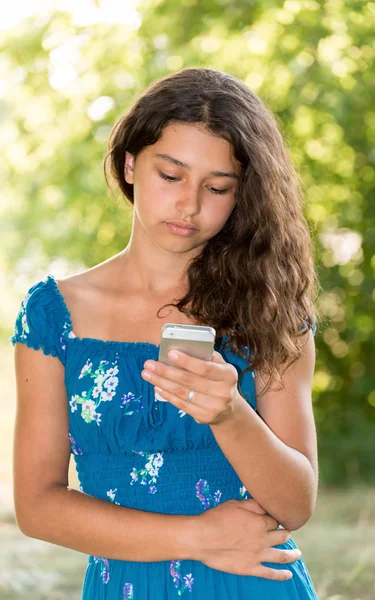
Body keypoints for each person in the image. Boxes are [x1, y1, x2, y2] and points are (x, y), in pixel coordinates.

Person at [11, 67, 321, 599]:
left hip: (254, 586)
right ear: (130, 163)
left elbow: (297, 504)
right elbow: (37, 506)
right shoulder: (53, 316)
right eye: (171, 175)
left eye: (217, 187)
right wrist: (197, 537)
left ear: (241, 194)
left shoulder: (270, 310)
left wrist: (229, 414)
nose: (190, 205)